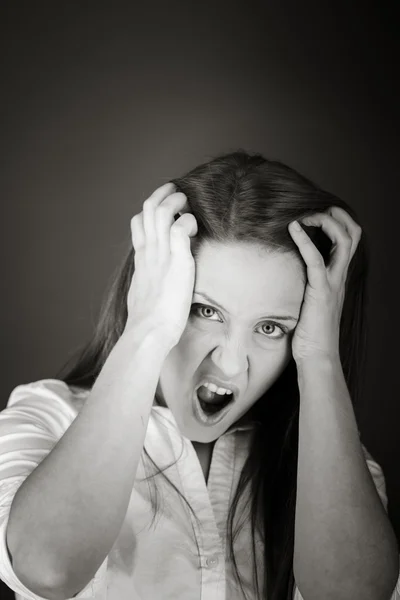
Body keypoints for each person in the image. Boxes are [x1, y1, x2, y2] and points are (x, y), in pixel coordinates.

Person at [0, 150, 399, 600]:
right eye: (204, 310)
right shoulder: (44, 417)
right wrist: (147, 328)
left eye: (270, 328)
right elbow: (47, 568)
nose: (230, 363)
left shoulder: (331, 459)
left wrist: (321, 357)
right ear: (155, 290)